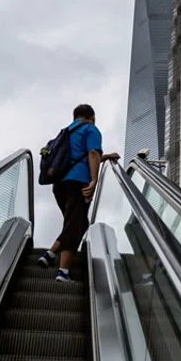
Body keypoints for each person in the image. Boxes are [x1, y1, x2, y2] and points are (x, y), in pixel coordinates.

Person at [36, 104, 119, 282]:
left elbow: (78, 156)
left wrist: (107, 156)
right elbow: (92, 153)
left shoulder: (66, 133)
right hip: (78, 183)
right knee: (74, 225)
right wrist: (94, 179)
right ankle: (63, 272)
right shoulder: (91, 129)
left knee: (79, 223)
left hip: (59, 185)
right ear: (92, 117)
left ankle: (50, 254)